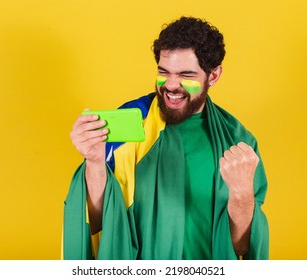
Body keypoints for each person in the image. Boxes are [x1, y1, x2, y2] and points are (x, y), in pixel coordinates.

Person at [64, 16, 268, 260]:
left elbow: (242, 249)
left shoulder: (237, 142)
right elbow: (97, 223)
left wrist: (242, 194)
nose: (171, 85)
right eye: (164, 72)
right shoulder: (130, 124)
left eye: (186, 74)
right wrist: (95, 162)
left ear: (213, 76)